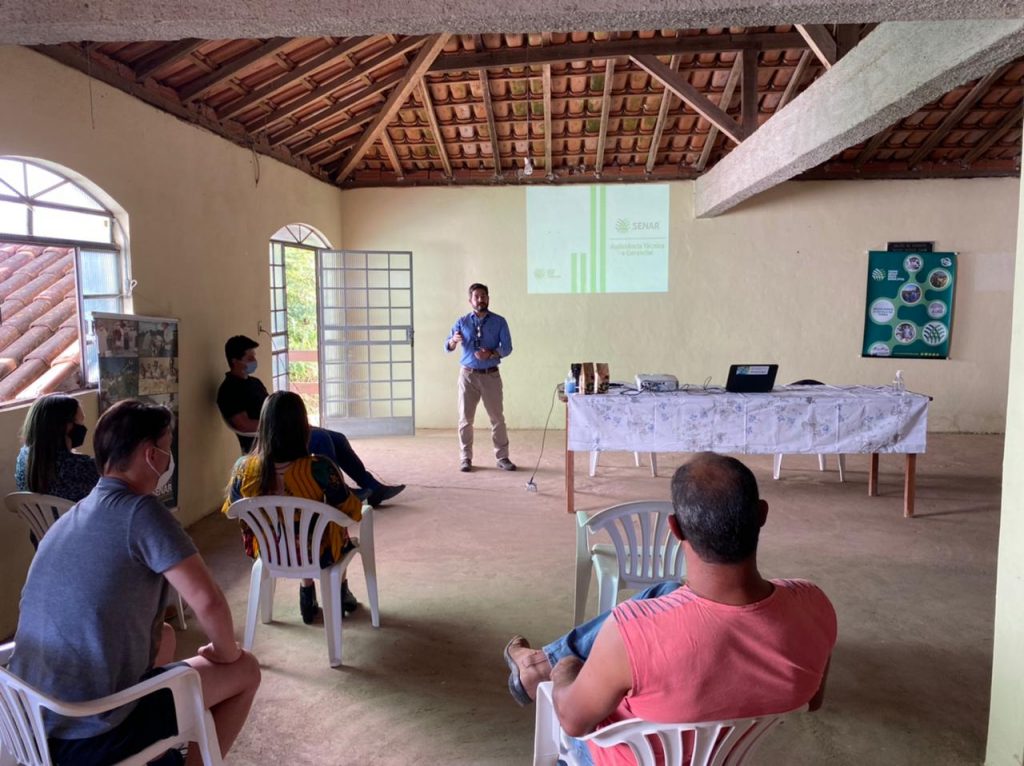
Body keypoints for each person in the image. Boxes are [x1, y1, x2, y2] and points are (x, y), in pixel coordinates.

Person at [503, 453, 836, 766]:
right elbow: (813, 700)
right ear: (762, 514)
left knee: (573, 686)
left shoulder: (630, 633)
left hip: (624, 756)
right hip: (724, 754)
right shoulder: (814, 604)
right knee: (669, 591)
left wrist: (567, 669)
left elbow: (573, 721)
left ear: (675, 528)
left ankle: (545, 665)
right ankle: (539, 663)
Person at [9, 400, 261, 766]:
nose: (169, 457)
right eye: (167, 446)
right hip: (90, 734)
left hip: (31, 720)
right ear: (150, 455)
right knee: (245, 670)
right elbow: (207, 601)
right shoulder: (142, 513)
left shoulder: (73, 514)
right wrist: (226, 654)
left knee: (168, 639)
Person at [223, 391, 363, 624]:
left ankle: (307, 595)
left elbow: (233, 509)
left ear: (264, 426)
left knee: (293, 529)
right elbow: (350, 510)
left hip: (269, 552)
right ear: (302, 427)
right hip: (319, 555)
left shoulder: (243, 469)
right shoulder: (319, 468)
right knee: (336, 528)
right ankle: (339, 590)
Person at [216, 335, 404, 507]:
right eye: (249, 358)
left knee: (337, 437)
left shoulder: (254, 383)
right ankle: (338, 491)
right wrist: (281, 425)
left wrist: (294, 422)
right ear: (235, 360)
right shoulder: (229, 390)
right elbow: (243, 424)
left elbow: (273, 411)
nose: (254, 361)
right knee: (322, 438)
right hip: (269, 440)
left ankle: (372, 487)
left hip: (283, 430)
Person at [444, 283, 515, 472]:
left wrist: (491, 353)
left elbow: (507, 348)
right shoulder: (462, 322)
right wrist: (452, 341)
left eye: (484, 296)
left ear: (488, 299)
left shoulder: (499, 321)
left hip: (490, 375)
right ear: (470, 301)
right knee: (465, 419)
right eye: (477, 296)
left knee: (497, 419)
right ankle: (465, 458)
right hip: (468, 376)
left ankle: (503, 457)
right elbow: (447, 346)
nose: (481, 299)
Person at [15, 394, 100, 547]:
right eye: (79, 422)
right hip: (84, 545)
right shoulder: (82, 468)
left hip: (44, 545)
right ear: (65, 426)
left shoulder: (24, 459)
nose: (83, 427)